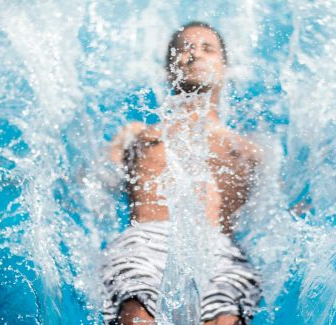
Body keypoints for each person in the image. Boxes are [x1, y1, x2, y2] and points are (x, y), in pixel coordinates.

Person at [101, 22, 262, 325]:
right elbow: (93, 186)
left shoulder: (246, 149)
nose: (194, 55)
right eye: (184, 49)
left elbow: (274, 209)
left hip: (218, 248)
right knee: (137, 314)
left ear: (224, 67)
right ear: (168, 69)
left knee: (226, 319)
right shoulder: (136, 134)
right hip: (147, 240)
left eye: (207, 49)